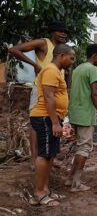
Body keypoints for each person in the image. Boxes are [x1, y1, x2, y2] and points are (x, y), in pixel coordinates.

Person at [8, 21, 68, 170]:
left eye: (65, 32)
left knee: (53, 123)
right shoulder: (43, 43)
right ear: (52, 32)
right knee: (37, 124)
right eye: (59, 31)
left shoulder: (61, 50)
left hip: (55, 90)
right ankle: (35, 160)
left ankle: (49, 158)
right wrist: (35, 65)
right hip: (42, 89)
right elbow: (15, 50)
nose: (63, 34)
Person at [28, 44, 75, 206]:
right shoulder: (50, 71)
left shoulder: (57, 72)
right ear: (61, 56)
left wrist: (61, 121)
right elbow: (49, 97)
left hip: (52, 118)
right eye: (71, 58)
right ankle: (39, 193)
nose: (72, 61)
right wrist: (55, 123)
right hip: (45, 117)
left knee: (50, 155)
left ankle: (45, 190)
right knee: (45, 154)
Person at [66, 44, 97, 192]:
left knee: (80, 146)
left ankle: (70, 178)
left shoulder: (78, 68)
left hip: (75, 111)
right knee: (85, 148)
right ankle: (76, 183)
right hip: (85, 113)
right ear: (95, 55)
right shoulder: (94, 69)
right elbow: (95, 94)